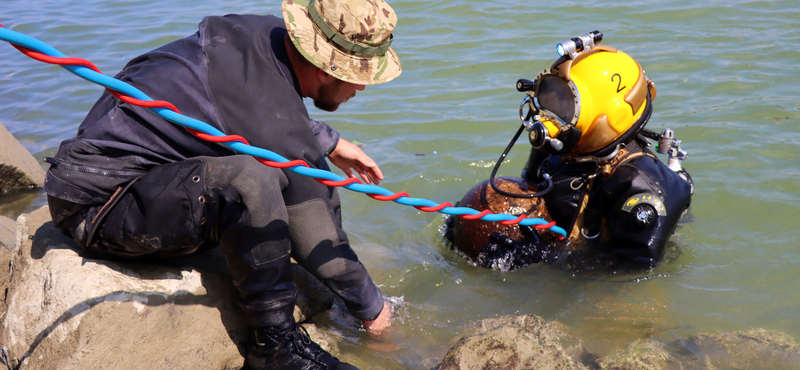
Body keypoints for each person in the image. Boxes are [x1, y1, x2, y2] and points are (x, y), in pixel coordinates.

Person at [43, 0, 402, 368]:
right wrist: (373, 310)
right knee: (253, 180)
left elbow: (233, 108)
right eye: (362, 74)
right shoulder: (265, 109)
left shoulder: (262, 37)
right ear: (327, 69)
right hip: (100, 204)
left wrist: (328, 141)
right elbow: (312, 229)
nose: (361, 86)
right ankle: (275, 348)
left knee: (296, 168)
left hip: (118, 179)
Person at [519, 35, 694, 268]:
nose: (547, 116)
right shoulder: (559, 143)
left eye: (564, 104)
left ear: (603, 119)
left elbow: (632, 271)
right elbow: (527, 188)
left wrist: (539, 257)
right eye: (549, 96)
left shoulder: (642, 185)